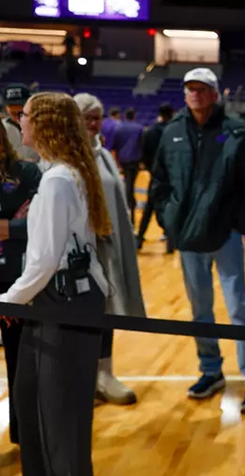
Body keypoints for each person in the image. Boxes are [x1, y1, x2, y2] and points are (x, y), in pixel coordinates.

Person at [0, 91, 112, 476]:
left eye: (25, 115)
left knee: (60, 422)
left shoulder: (57, 181)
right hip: (59, 301)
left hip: (63, 303)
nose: (20, 121)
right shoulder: (62, 173)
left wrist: (8, 300)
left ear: (42, 123)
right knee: (35, 411)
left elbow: (44, 261)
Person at [149, 67, 245, 413]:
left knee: (238, 309)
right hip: (188, 238)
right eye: (190, 88)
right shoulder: (171, 132)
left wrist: (240, 224)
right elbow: (159, 183)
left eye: (202, 89)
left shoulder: (236, 132)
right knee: (199, 310)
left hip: (225, 235)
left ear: (215, 94)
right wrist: (170, 222)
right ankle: (211, 370)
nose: (195, 94)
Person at [75, 93, 147, 405]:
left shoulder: (102, 153)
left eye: (97, 117)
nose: (93, 123)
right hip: (81, 251)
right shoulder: (66, 156)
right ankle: (81, 377)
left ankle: (104, 374)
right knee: (85, 314)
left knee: (106, 311)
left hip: (107, 247)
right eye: (87, 117)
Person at [0, 123, 43, 446]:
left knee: (21, 364)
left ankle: (25, 434)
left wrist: (11, 228)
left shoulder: (27, 173)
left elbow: (40, 222)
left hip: (16, 282)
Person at [136, 103, 174, 252]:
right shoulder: (174, 132)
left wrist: (151, 169)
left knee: (148, 209)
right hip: (171, 177)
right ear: (171, 114)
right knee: (170, 209)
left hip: (155, 175)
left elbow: (144, 154)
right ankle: (170, 243)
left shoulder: (150, 132)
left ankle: (139, 239)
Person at [2, 84, 40, 162]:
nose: (16, 109)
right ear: (5, 107)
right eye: (11, 105)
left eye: (20, 104)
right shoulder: (2, 127)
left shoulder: (40, 125)